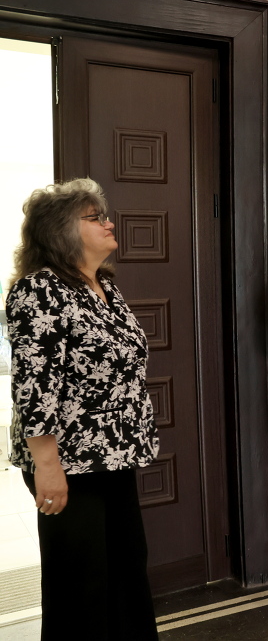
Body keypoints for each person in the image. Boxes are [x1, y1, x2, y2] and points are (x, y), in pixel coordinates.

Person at [6, 178, 159, 640]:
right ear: (61, 231)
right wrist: (47, 466)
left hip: (115, 455)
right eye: (96, 217)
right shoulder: (38, 290)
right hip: (67, 461)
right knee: (80, 585)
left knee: (128, 571)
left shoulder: (104, 285)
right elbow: (35, 386)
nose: (109, 223)